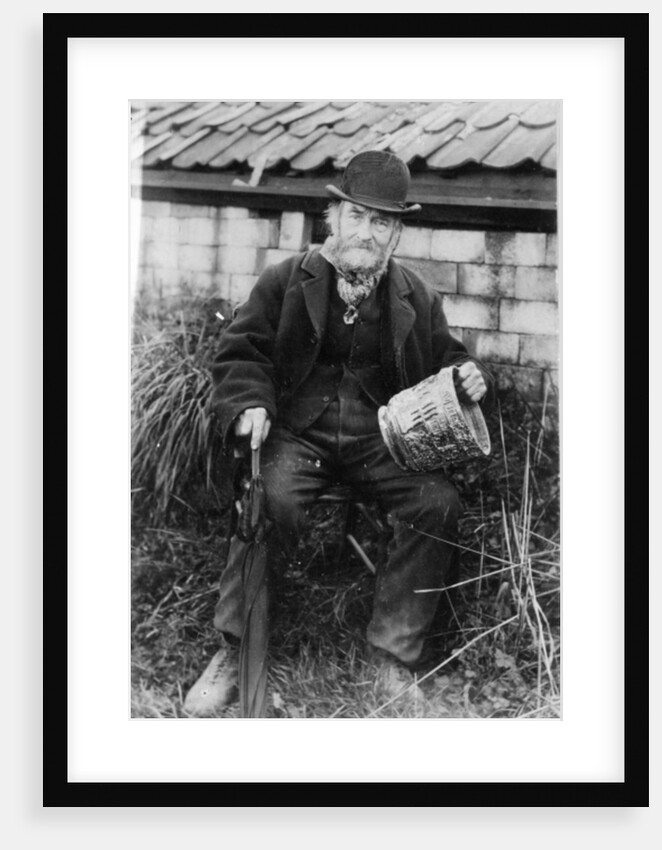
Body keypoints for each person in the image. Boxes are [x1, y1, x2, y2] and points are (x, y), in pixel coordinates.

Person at [184, 150, 494, 716]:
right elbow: (240, 352)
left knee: (436, 502)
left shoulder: (415, 297)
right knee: (266, 500)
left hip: (381, 440)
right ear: (335, 217)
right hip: (298, 437)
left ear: (397, 232)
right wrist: (250, 404)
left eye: (382, 222)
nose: (368, 232)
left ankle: (393, 655)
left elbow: (447, 362)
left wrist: (468, 377)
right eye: (358, 217)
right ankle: (235, 647)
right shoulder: (285, 280)